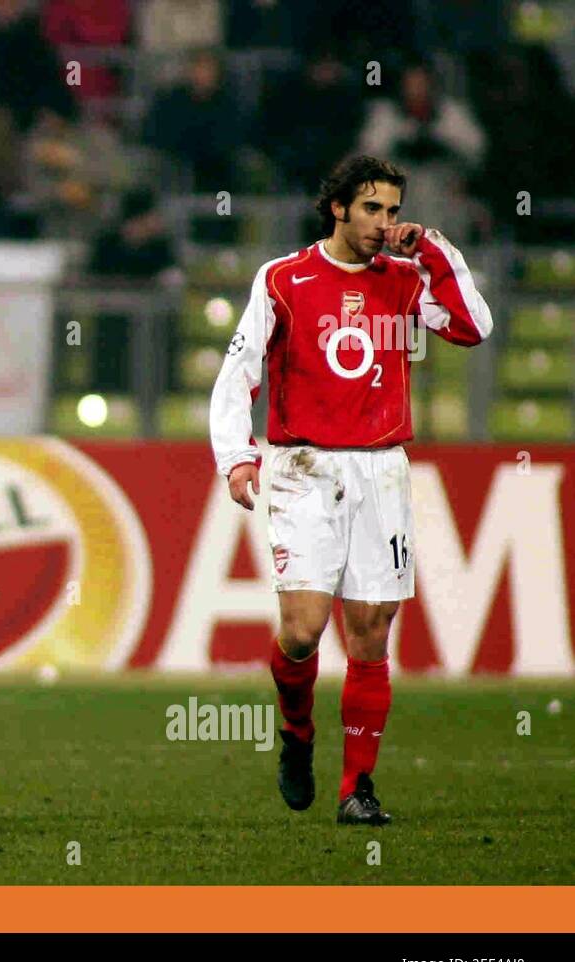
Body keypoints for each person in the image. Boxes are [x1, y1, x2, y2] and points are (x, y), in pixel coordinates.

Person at [209, 155, 492, 825]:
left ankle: (357, 788)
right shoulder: (283, 279)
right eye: (372, 209)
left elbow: (474, 328)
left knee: (369, 636)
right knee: (303, 633)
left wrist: (436, 251)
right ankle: (297, 734)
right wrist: (237, 457)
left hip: (382, 469)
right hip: (305, 468)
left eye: (393, 211)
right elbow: (239, 371)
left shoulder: (402, 280)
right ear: (337, 207)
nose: (384, 223)